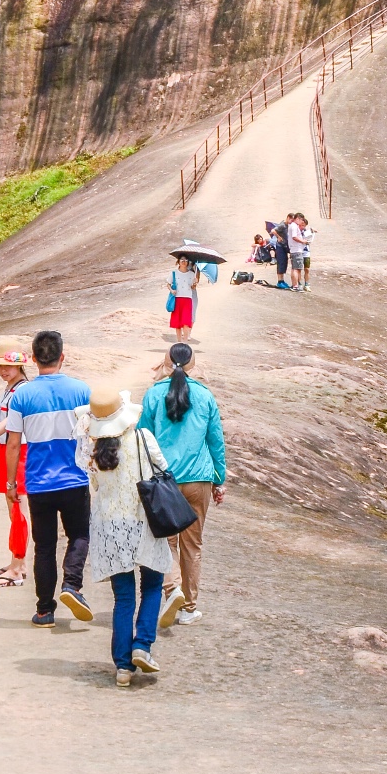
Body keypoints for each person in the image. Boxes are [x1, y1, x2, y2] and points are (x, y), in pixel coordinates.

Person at [77, 384, 174, 687]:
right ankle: (142, 645)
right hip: (144, 521)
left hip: (110, 527)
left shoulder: (91, 450)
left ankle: (122, 667)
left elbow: (94, 483)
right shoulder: (142, 437)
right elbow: (164, 467)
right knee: (154, 585)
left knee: (123, 597)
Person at [4, 329, 93, 627]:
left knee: (44, 546)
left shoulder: (22, 396)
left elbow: (13, 443)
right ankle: (72, 584)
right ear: (62, 356)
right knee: (79, 533)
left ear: (33, 358)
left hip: (39, 483)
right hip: (75, 478)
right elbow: (92, 434)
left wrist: (11, 483)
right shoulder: (81, 390)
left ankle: (44, 610)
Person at [139, 343, 226, 629]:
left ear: (165, 363)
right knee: (193, 544)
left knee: (166, 541)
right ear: (193, 365)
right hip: (199, 479)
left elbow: (143, 438)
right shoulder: (205, 395)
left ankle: (172, 588)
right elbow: (215, 441)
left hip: (164, 480)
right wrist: (219, 479)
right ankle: (189, 608)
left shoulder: (153, 394)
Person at [0, 341, 30, 587]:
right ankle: (17, 561)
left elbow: (9, 422)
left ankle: (17, 566)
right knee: (14, 511)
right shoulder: (11, 387)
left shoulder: (21, 390)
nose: (4, 370)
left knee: (18, 510)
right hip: (7, 449)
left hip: (18, 450)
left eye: (9, 365)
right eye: (0, 365)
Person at [166, 251, 203, 340]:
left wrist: (195, 283)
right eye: (182, 260)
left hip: (187, 299)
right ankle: (179, 341)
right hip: (177, 298)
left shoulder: (191, 274)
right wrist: (172, 290)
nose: (184, 261)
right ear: (178, 261)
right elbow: (168, 283)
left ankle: (185, 341)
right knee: (178, 323)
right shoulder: (174, 273)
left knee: (186, 322)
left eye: (186, 260)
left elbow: (192, 288)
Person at [288, 210, 314, 292]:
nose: (302, 222)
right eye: (302, 220)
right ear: (298, 219)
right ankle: (295, 286)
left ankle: (294, 285)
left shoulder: (293, 226)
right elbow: (294, 237)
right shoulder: (294, 226)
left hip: (295, 249)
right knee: (297, 269)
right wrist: (303, 241)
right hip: (297, 250)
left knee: (294, 268)